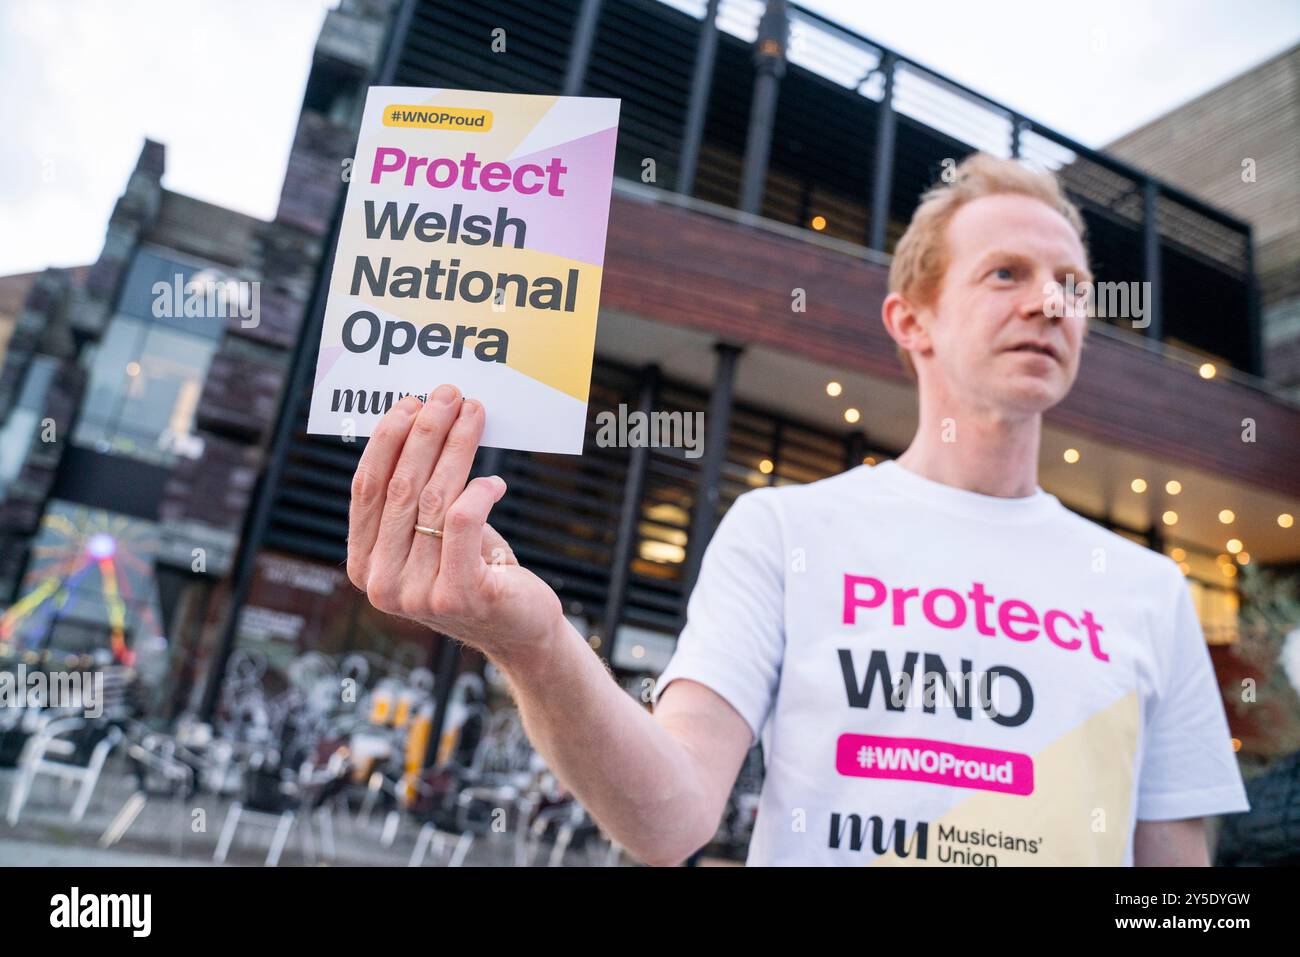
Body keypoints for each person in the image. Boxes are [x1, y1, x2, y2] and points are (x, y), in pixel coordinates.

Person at [344, 153, 1249, 866]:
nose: (1050, 303)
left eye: (1073, 287)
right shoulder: (786, 531)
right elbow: (669, 818)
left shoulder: (1151, 589)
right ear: (912, 321)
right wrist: (535, 646)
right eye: (1006, 273)